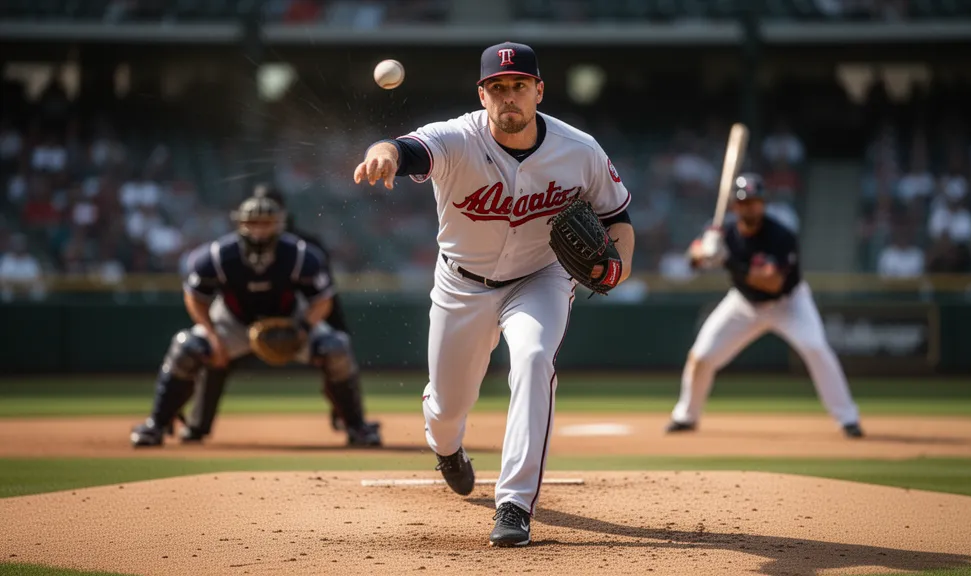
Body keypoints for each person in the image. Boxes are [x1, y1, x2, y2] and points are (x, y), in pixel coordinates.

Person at [353, 41, 635, 547]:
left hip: (540, 278)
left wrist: (619, 267)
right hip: (461, 283)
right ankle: (447, 449)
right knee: (447, 408)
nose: (509, 96)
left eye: (519, 85)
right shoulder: (456, 138)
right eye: (497, 87)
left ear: (538, 91)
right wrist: (383, 152)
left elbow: (618, 218)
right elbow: (406, 148)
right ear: (482, 95)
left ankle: (515, 503)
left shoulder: (580, 149)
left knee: (533, 357)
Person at [129, 192, 381, 448]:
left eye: (266, 223)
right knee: (186, 347)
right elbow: (194, 298)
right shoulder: (218, 255)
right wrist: (213, 336)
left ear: (279, 224)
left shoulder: (299, 254)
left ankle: (357, 426)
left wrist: (303, 328)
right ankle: (156, 424)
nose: (259, 230)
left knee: (336, 348)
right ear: (240, 223)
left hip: (290, 322)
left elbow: (323, 300)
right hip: (232, 323)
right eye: (253, 222)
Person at [665, 173, 864, 438]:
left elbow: (772, 283)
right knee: (701, 356)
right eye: (744, 202)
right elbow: (692, 259)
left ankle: (848, 418)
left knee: (816, 348)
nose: (751, 207)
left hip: (789, 304)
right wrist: (703, 251)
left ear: (764, 203)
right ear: (734, 206)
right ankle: (686, 415)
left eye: (755, 201)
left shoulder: (781, 235)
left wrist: (727, 260)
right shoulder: (724, 232)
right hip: (744, 304)